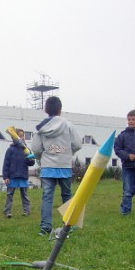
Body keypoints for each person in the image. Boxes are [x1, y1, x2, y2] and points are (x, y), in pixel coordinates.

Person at [32, 96, 82, 236]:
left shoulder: (41, 127)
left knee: (47, 197)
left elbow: (36, 148)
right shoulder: (68, 125)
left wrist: (40, 156)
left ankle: (45, 227)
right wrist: (68, 153)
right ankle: (69, 225)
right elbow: (78, 144)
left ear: (46, 110)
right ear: (60, 109)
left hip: (48, 167)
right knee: (67, 195)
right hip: (64, 166)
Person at [2, 128, 35, 218]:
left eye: (23, 136)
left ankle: (26, 211)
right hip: (12, 176)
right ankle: (7, 211)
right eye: (19, 136)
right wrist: (6, 177)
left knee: (24, 194)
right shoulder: (10, 150)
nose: (22, 138)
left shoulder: (26, 150)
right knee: (9, 195)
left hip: (23, 175)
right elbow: (6, 164)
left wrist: (31, 159)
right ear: (14, 137)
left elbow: (31, 163)